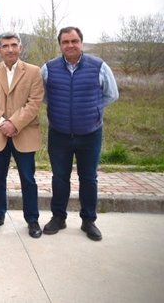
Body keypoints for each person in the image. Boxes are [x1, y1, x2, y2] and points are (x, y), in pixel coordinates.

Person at [41, 26, 119, 241]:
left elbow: (111, 94)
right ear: (60, 45)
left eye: (74, 41)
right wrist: (60, 110)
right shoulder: (48, 69)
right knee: (59, 178)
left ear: (81, 42)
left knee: (88, 178)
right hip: (59, 134)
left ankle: (88, 220)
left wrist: (93, 109)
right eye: (65, 42)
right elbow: (44, 96)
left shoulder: (99, 66)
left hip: (90, 133)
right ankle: (59, 217)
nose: (70, 45)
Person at [0, 32, 44, 238]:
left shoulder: (33, 72)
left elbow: (34, 103)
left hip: (24, 134)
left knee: (28, 179)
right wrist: (1, 122)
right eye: (5, 46)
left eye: (14, 45)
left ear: (20, 47)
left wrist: (14, 124)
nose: (10, 49)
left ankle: (32, 220)